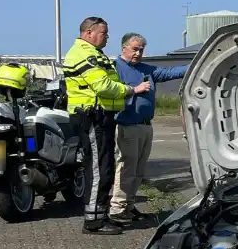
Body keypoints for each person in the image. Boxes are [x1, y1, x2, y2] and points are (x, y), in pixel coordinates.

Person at [62, 17, 150, 235]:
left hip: (102, 117)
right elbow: (102, 86)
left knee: (106, 167)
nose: (107, 38)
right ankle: (93, 222)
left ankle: (99, 217)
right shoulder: (84, 54)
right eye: (104, 34)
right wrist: (130, 90)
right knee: (98, 170)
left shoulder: (94, 54)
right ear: (89, 32)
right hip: (92, 117)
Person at [110, 32, 187, 223]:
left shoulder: (146, 69)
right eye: (134, 49)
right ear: (124, 48)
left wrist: (195, 65)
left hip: (145, 125)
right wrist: (135, 90)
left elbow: (170, 73)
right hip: (126, 124)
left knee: (138, 169)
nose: (138, 53)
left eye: (141, 50)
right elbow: (110, 91)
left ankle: (129, 205)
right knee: (126, 168)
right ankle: (117, 209)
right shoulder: (115, 68)